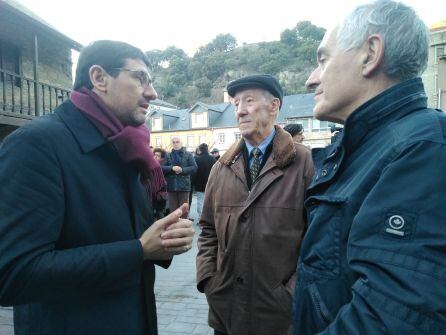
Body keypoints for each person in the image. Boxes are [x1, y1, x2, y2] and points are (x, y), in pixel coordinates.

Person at [0, 40, 194, 335]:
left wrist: (163, 240)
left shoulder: (126, 147)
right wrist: (138, 250)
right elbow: (14, 274)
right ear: (99, 78)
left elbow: (115, 233)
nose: (152, 93)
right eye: (140, 77)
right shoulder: (36, 144)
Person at [293, 1, 446, 334]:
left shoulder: (422, 149)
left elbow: (392, 319)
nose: (311, 79)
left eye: (323, 59)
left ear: (370, 53)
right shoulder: (365, 146)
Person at [197, 74, 314, 335]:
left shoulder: (305, 163)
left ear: (274, 106)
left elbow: (318, 238)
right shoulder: (221, 167)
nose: (240, 111)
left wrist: (293, 292)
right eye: (236, 103)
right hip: (226, 310)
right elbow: (207, 230)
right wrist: (208, 279)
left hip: (279, 315)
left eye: (248, 101)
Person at [162, 137, 197, 218]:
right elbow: (162, 168)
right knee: (173, 211)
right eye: (173, 142)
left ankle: (184, 229)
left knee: (184, 210)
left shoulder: (188, 154)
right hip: (171, 186)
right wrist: (171, 168)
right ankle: (174, 228)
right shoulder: (168, 155)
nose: (175, 144)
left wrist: (182, 170)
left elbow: (194, 167)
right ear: (172, 144)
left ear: (181, 143)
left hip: (184, 186)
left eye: (177, 142)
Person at [192, 143, 216, 222]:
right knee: (211, 202)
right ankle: (211, 219)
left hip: (200, 184)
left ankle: (201, 219)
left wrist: (193, 182)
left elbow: (194, 173)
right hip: (212, 183)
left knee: (200, 202)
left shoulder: (197, 159)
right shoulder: (213, 159)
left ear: (200, 150)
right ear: (207, 149)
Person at [152, 148, 168, 220]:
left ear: (162, 157)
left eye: (158, 155)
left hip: (160, 192)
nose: (155, 157)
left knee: (160, 212)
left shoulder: (162, 166)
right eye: (154, 155)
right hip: (152, 192)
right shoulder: (151, 165)